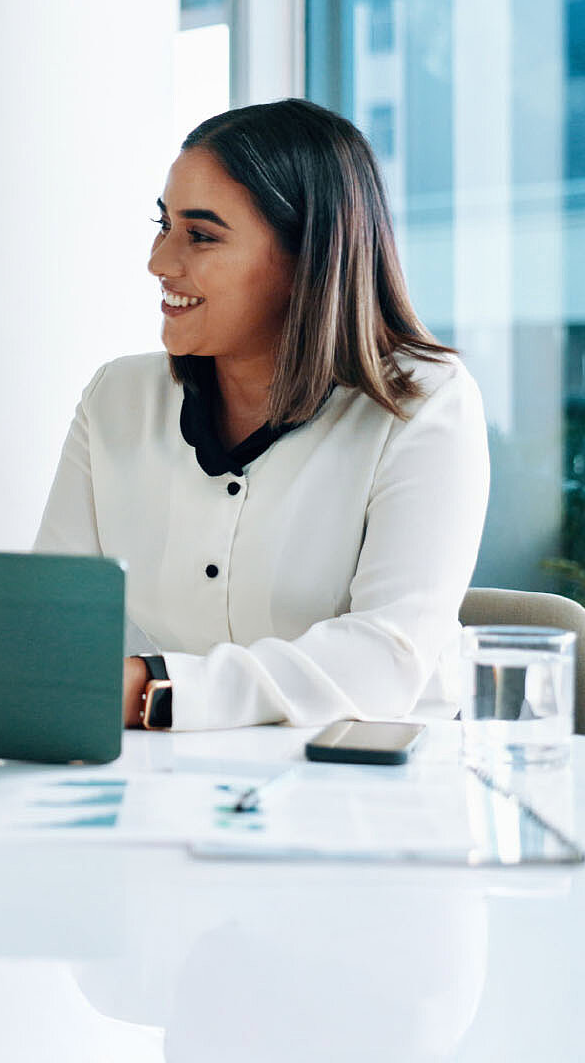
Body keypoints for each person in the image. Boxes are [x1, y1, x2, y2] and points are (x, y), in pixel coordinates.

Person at [35, 99, 487, 731]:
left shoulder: (423, 404)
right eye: (163, 225)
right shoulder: (116, 397)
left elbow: (382, 662)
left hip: (376, 782)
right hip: (165, 779)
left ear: (309, 255)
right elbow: (57, 621)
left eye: (201, 235)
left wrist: (154, 688)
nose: (160, 262)